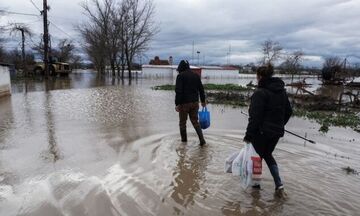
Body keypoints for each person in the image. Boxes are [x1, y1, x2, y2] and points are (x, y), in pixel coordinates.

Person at [243, 64, 292, 197]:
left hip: (262, 132)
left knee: (257, 157)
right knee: (268, 154)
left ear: (259, 76)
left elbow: (255, 117)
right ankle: (279, 185)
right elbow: (289, 111)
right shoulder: (281, 91)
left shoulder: (260, 93)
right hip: (276, 132)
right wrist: (279, 125)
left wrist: (248, 135)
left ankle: (256, 187)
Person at [175, 60, 206, 146]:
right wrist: (203, 101)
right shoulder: (196, 75)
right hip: (195, 103)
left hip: (184, 104)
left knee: (182, 123)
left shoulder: (180, 76)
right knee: (195, 122)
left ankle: (184, 143)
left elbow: (178, 91)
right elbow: (201, 89)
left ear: (180, 67)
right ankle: (202, 140)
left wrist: (177, 104)